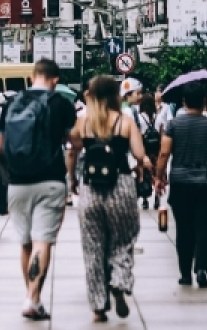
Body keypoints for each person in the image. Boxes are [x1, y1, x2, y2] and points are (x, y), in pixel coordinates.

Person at [0, 59, 77, 321]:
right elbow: (74, 140)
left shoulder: (12, 102)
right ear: (55, 79)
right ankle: (32, 297)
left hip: (17, 182)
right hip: (50, 180)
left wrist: (9, 171)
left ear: (33, 76)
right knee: (43, 241)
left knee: (25, 242)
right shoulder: (60, 103)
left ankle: (32, 295)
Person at [67, 76, 149, 323]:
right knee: (124, 239)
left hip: (91, 188)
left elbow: (72, 151)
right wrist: (144, 165)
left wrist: (72, 179)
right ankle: (119, 281)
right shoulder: (126, 122)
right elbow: (139, 153)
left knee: (93, 248)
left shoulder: (83, 123)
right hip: (121, 186)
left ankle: (98, 305)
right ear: (116, 95)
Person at [156, 82, 207, 288]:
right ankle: (201, 268)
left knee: (184, 228)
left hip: (181, 182)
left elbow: (164, 153)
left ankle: (185, 273)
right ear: (205, 101)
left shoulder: (174, 125)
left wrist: (159, 177)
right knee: (205, 227)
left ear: (183, 102)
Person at [133, 94, 160, 210]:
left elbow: (138, 134)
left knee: (144, 172)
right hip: (156, 148)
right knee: (156, 172)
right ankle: (157, 197)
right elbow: (162, 133)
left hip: (145, 148)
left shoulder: (139, 117)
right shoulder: (157, 116)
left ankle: (145, 199)